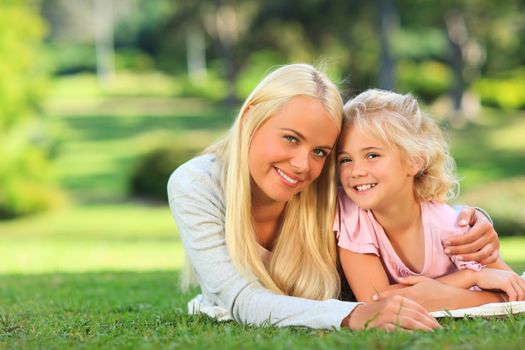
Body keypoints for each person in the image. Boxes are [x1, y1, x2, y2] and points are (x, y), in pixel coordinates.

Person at [168, 64, 500, 331]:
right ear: (249, 117)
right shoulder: (196, 185)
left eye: (321, 151)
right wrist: (353, 315)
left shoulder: (326, 183)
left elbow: (397, 194)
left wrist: (470, 218)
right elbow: (243, 300)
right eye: (290, 139)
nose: (302, 165)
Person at [336, 89, 525, 309]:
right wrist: (469, 278)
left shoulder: (452, 228)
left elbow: (516, 291)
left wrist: (446, 292)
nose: (356, 171)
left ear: (415, 161)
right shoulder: (352, 214)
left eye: (372, 155)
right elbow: (375, 300)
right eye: (346, 159)